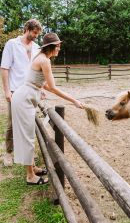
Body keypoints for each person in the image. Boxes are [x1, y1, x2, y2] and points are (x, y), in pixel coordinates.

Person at [11, 32, 84, 185]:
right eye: (58, 46)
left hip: (26, 97)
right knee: (27, 137)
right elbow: (53, 88)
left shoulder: (42, 58)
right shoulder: (45, 61)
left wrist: (39, 89)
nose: (59, 48)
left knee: (28, 135)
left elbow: (39, 82)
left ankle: (32, 168)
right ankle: (30, 176)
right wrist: (74, 100)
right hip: (24, 100)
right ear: (51, 47)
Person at [1, 19, 42, 166]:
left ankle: (27, 154)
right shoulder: (12, 44)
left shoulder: (37, 47)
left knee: (29, 122)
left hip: (30, 90)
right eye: (34, 33)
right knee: (12, 123)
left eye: (38, 34)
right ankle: (8, 153)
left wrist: (40, 88)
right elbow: (5, 68)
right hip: (15, 90)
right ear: (27, 29)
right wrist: (6, 90)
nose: (36, 36)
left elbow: (37, 70)